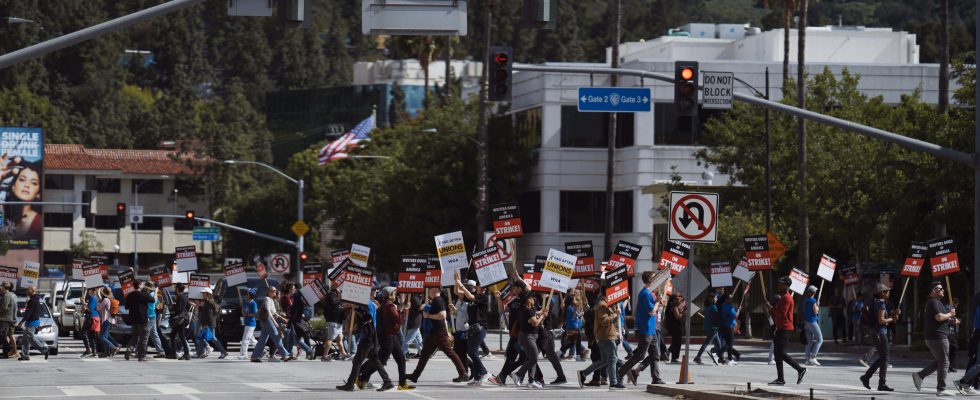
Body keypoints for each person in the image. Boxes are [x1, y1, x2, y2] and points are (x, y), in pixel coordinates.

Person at [406, 286, 469, 383]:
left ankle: (463, 373)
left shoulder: (439, 300)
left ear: (435, 290)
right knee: (424, 355)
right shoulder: (435, 301)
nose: (428, 291)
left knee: (450, 352)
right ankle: (415, 375)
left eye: (430, 289)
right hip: (432, 333)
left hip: (438, 333)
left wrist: (429, 316)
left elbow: (443, 315)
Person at [358, 287, 413, 390]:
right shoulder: (389, 306)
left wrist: (403, 307)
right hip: (388, 337)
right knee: (380, 361)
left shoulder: (387, 304)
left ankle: (402, 383)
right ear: (390, 294)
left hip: (392, 336)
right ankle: (362, 378)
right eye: (394, 292)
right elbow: (398, 320)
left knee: (401, 359)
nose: (396, 294)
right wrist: (405, 310)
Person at [338, 295, 393, 392]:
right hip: (370, 336)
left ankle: (350, 384)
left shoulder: (365, 304)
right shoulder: (364, 304)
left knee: (357, 361)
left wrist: (353, 327)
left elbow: (368, 319)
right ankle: (387, 382)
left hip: (368, 337)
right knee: (375, 360)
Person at [618, 270, 663, 386]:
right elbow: (651, 312)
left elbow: (655, 307)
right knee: (640, 355)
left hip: (651, 329)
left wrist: (659, 301)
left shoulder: (650, 293)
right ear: (650, 280)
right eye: (655, 278)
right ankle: (620, 373)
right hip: (645, 329)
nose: (657, 280)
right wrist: (658, 302)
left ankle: (656, 378)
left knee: (655, 355)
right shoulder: (646, 294)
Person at [912, 281, 958, 396]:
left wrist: (952, 320)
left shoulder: (937, 303)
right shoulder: (933, 302)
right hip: (937, 336)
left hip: (936, 336)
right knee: (944, 362)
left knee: (941, 361)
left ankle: (920, 375)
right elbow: (939, 317)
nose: (943, 290)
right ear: (933, 291)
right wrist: (950, 315)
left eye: (943, 288)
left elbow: (942, 318)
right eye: (940, 288)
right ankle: (941, 389)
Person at [576, 293, 623, 390]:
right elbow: (604, 321)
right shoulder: (602, 305)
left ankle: (583, 373)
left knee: (604, 360)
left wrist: (616, 314)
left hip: (608, 335)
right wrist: (615, 314)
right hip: (605, 337)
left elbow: (611, 322)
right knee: (612, 359)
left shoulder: (607, 304)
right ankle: (613, 382)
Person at [767, 276, 805, 386]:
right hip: (781, 328)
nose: (779, 285)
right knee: (777, 353)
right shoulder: (784, 297)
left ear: (787, 285)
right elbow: (777, 313)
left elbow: (781, 314)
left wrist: (770, 308)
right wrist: (771, 310)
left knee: (780, 352)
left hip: (785, 328)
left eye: (782, 284)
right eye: (779, 283)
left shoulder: (786, 298)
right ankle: (780, 379)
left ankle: (800, 369)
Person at [859, 283, 898, 392]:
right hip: (880, 333)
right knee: (885, 358)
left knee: (883, 358)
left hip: (876, 333)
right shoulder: (881, 304)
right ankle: (879, 382)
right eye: (887, 291)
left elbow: (880, 319)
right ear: (882, 293)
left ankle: (869, 378)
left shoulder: (875, 303)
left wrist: (892, 315)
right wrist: (892, 319)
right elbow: (881, 320)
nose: (889, 293)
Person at [456, 278, 490, 385]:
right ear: (477, 287)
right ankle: (477, 377)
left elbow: (471, 296)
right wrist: (455, 281)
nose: (483, 288)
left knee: (472, 351)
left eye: (485, 286)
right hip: (472, 329)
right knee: (471, 351)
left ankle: (484, 372)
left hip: (481, 328)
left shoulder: (483, 297)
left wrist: (460, 284)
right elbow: (458, 293)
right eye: (481, 285)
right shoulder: (471, 297)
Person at [509, 294, 547, 388]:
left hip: (531, 337)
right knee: (534, 358)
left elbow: (537, 313)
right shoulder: (527, 310)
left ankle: (531, 381)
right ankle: (517, 374)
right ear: (528, 300)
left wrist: (543, 311)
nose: (534, 299)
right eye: (532, 298)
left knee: (532, 359)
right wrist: (542, 316)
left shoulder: (529, 309)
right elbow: (535, 323)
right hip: (527, 337)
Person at [3, 161, 42, 243]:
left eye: (33, 183)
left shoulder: (39, 221)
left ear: (38, 194)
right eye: (22, 179)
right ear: (13, 186)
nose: (27, 185)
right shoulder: (1, 211)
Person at [251, 286, 291, 362]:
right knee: (276, 336)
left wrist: (283, 318)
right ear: (268, 292)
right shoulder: (267, 299)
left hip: (268, 320)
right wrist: (275, 322)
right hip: (267, 320)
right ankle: (285, 355)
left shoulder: (272, 300)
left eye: (275, 291)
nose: (274, 292)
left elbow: (274, 313)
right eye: (272, 291)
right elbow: (269, 312)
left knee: (262, 339)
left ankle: (254, 357)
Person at [124, 281, 155, 361]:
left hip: (133, 320)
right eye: (142, 284)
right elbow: (152, 300)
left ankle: (129, 349)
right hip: (143, 319)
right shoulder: (143, 294)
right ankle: (142, 356)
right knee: (144, 338)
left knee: (134, 337)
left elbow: (126, 307)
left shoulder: (129, 295)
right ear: (139, 285)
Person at [17, 286, 49, 360]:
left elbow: (29, 313)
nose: (26, 292)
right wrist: (27, 305)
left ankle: (44, 349)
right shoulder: (35, 299)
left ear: (31, 291)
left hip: (32, 322)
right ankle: (25, 355)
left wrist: (22, 321)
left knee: (30, 338)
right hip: (32, 321)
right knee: (25, 339)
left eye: (27, 290)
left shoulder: (32, 300)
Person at [195, 288, 227, 359]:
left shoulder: (209, 302)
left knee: (212, 338)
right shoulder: (208, 301)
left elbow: (210, 315)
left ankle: (223, 352)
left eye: (204, 293)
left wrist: (206, 324)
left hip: (209, 324)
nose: (203, 294)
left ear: (207, 294)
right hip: (208, 323)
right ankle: (201, 353)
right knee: (201, 337)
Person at [322, 284, 350, 361]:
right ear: (334, 288)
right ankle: (324, 356)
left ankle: (343, 353)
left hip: (338, 321)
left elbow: (339, 305)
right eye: (339, 288)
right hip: (333, 320)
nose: (340, 289)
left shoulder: (336, 296)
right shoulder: (331, 295)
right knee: (330, 338)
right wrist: (340, 297)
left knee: (340, 338)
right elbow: (334, 302)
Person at [694, 294, 722, 365]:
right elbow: (718, 315)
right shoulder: (713, 307)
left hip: (710, 327)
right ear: (711, 299)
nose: (716, 299)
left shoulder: (707, 307)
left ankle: (719, 358)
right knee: (707, 343)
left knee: (718, 345)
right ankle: (698, 357)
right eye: (715, 298)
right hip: (713, 327)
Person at [802, 285, 823, 366]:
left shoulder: (805, 300)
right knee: (820, 339)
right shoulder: (813, 300)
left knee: (809, 342)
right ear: (814, 292)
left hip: (806, 322)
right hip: (812, 322)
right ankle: (813, 357)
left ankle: (807, 360)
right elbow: (816, 312)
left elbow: (804, 310)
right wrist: (817, 305)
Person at [169, 283, 191, 360]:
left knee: (180, 336)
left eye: (175, 288)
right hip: (182, 319)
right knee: (174, 335)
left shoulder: (180, 297)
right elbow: (188, 306)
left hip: (179, 320)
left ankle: (186, 354)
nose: (174, 289)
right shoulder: (184, 296)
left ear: (178, 288)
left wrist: (172, 309)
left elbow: (179, 309)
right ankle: (174, 353)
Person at [560, 296, 586, 361]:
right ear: (572, 301)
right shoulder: (571, 308)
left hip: (573, 327)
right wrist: (581, 314)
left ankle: (560, 352)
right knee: (576, 342)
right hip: (573, 327)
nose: (576, 301)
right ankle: (577, 356)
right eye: (575, 299)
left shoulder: (571, 308)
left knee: (573, 342)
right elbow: (575, 316)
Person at [96, 287, 118, 358]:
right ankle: (106, 352)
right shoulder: (110, 299)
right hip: (110, 320)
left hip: (106, 320)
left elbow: (98, 308)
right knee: (105, 336)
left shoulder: (105, 300)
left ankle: (113, 347)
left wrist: (98, 301)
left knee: (101, 337)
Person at [719, 293, 741, 364]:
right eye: (730, 298)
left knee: (729, 343)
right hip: (729, 326)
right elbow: (735, 316)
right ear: (726, 299)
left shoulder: (723, 305)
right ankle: (719, 353)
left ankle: (730, 358)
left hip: (725, 325)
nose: (731, 299)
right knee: (729, 343)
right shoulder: (729, 306)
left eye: (732, 298)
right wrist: (738, 310)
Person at [146, 284, 166, 357]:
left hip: (150, 315)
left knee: (145, 333)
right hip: (153, 315)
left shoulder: (151, 295)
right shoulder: (155, 294)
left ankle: (139, 351)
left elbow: (151, 305)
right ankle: (160, 351)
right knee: (154, 333)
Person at [401, 293, 423, 358]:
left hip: (415, 321)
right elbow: (419, 308)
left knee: (418, 339)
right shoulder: (414, 298)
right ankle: (403, 353)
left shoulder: (412, 297)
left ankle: (421, 352)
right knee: (409, 339)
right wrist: (425, 305)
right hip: (414, 322)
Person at [664, 293, 684, 363]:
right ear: (674, 300)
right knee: (677, 341)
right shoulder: (674, 306)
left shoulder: (672, 305)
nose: (679, 300)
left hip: (672, 326)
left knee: (676, 341)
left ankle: (672, 356)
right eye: (677, 299)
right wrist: (683, 312)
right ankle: (670, 353)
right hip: (675, 326)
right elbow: (678, 317)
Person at [238, 288, 258, 359]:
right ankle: (262, 349)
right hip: (246, 323)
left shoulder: (253, 303)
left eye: (247, 294)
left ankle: (244, 354)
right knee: (252, 339)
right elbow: (244, 311)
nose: (246, 295)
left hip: (251, 323)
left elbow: (254, 313)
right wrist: (243, 311)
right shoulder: (245, 302)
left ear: (251, 295)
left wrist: (247, 315)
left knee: (245, 339)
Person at [0, 283, 18, 359]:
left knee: (2, 335)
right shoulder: (7, 295)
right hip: (6, 318)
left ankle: (8, 350)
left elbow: (4, 307)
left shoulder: (6, 295)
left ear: (4, 287)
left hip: (5, 318)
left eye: (1, 286)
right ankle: (6, 352)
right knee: (3, 335)